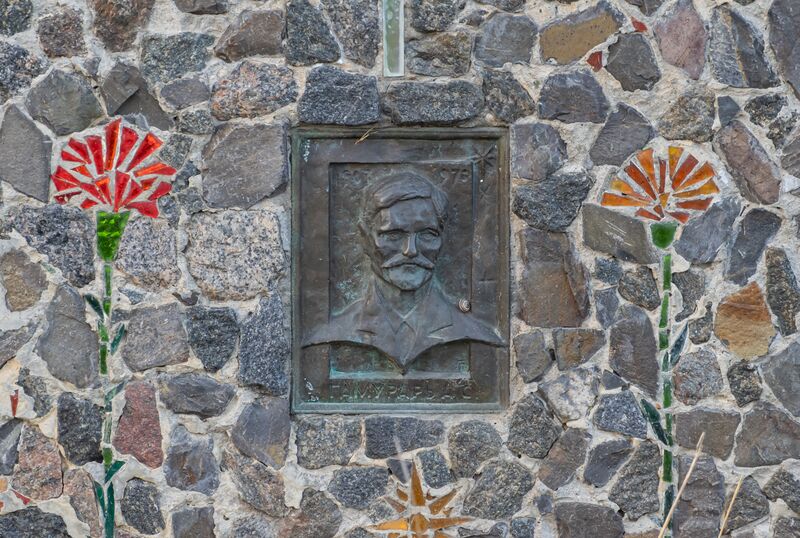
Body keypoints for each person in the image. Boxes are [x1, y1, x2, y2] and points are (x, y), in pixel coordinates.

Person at [302, 171, 504, 371]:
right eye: (393, 235)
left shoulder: (474, 333)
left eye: (427, 234)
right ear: (365, 238)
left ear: (442, 239)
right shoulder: (333, 333)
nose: (410, 251)